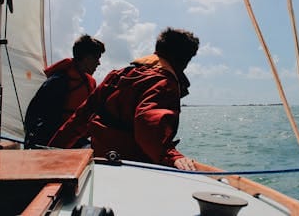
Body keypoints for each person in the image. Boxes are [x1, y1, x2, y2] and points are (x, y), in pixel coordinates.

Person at [48, 27, 199, 171]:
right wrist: (172, 156)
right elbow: (148, 127)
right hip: (132, 167)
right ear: (184, 61)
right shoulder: (164, 83)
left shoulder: (118, 75)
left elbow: (80, 117)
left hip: (101, 160)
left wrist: (51, 153)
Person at [24, 34, 105, 148]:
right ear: (87, 58)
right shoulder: (59, 82)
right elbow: (35, 117)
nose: (99, 63)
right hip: (52, 143)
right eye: (97, 58)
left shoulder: (88, 83)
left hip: (74, 140)